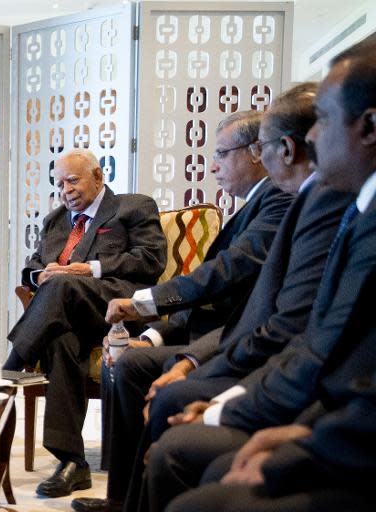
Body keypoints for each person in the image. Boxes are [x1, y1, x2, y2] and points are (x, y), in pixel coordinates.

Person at [141, 36, 376, 512]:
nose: (313, 136)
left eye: (324, 120)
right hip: (308, 401)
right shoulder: (328, 203)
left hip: (331, 427)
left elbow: (304, 337)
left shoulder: (319, 203)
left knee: (186, 462)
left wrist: (234, 406)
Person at [72, 111, 295, 512]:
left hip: (229, 340)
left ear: (257, 153)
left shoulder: (278, 203)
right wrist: (152, 334)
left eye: (222, 154)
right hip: (206, 330)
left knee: (135, 370)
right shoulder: (254, 206)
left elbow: (222, 277)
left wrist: (143, 304)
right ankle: (122, 497)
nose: (212, 165)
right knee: (127, 362)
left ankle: (134, 500)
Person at [4, 148, 168, 497]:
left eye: (73, 180)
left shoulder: (133, 207)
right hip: (66, 314)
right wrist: (38, 276)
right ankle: (72, 462)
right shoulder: (55, 221)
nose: (66, 190)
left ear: (98, 176)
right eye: (60, 183)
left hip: (117, 309)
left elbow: (151, 261)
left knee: (63, 283)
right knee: (60, 339)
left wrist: (90, 269)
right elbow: (31, 268)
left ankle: (13, 366)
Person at [167, 367, 376, 512]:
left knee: (184, 465)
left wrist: (300, 447)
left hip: (355, 453)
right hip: (330, 420)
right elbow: (296, 351)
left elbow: (310, 361)